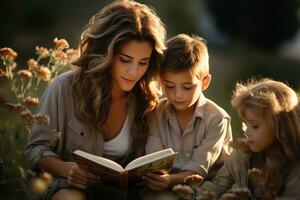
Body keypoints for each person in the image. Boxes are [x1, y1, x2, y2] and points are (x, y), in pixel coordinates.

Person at [26, 1, 166, 200]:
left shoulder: (146, 98)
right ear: (104, 53)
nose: (134, 72)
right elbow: (35, 149)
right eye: (125, 60)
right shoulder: (64, 88)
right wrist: (66, 169)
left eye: (143, 63)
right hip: (68, 187)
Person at [142, 34, 233, 199]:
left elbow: (198, 171)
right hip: (164, 187)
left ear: (205, 82)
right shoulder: (156, 113)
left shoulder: (217, 119)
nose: (177, 95)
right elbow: (153, 160)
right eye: (169, 86)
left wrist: (170, 180)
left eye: (187, 87)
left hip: (207, 188)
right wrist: (157, 178)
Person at [198, 79, 300, 199]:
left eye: (255, 126)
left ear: (281, 125)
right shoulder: (240, 157)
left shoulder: (294, 165)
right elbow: (216, 188)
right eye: (245, 124)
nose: (246, 132)